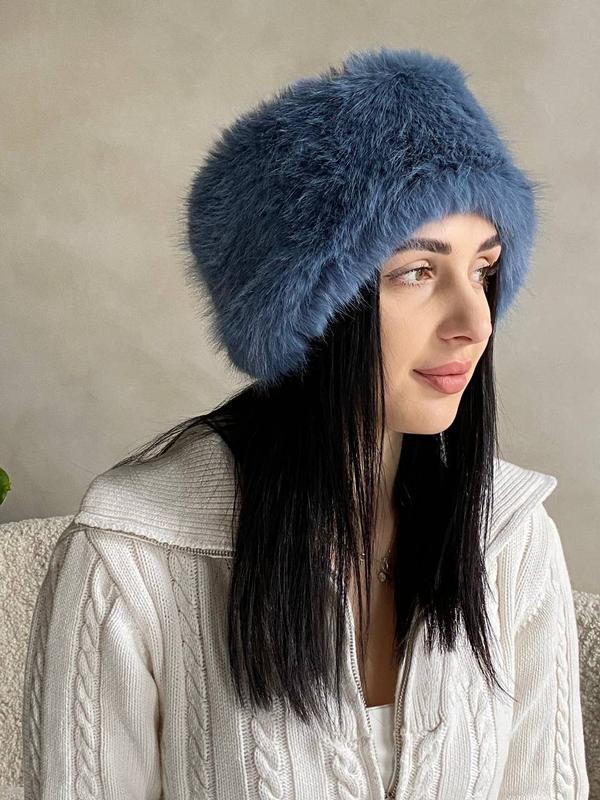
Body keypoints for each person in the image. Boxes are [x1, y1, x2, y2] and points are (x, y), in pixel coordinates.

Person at [22, 47, 589, 798]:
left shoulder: (510, 536)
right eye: (416, 272)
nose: (475, 322)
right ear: (302, 312)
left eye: (484, 269)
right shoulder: (133, 555)